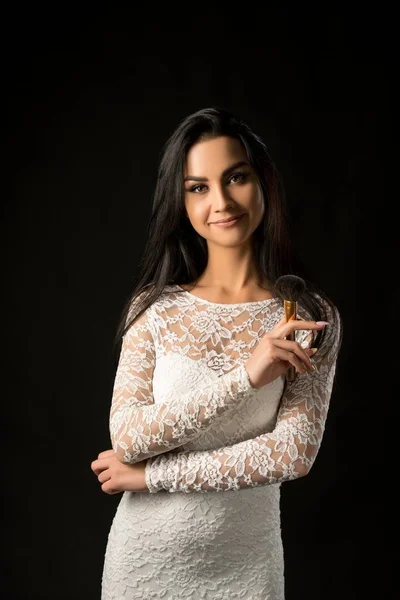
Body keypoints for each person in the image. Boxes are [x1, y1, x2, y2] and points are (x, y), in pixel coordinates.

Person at [90, 106, 343, 599]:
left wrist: (152, 477)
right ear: (181, 202)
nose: (222, 201)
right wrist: (247, 376)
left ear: (262, 182)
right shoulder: (154, 309)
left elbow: (290, 455)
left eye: (237, 177)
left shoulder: (309, 315)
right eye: (198, 187)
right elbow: (128, 437)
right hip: (144, 562)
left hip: (246, 568)